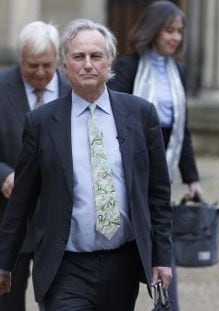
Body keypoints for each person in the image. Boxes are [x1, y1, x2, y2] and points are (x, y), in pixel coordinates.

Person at [0, 18, 173, 310]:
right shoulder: (42, 123)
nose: (88, 64)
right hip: (65, 266)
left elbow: (158, 193)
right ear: (64, 65)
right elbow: (21, 202)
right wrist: (5, 263)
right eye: (78, 57)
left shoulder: (141, 115)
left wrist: (162, 258)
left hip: (122, 263)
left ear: (110, 62)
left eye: (96, 56)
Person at [108, 2, 202, 310]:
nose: (175, 37)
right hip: (131, 161)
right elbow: (115, 118)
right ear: (153, 30)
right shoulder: (127, 66)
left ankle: (166, 305)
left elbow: (182, 127)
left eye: (179, 32)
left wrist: (192, 178)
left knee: (163, 234)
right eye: (169, 30)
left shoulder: (180, 71)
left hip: (165, 159)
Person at [0, 21, 70, 311]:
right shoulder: (2, 87)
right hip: (8, 221)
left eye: (47, 65)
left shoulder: (74, 90)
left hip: (59, 224)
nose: (40, 73)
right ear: (20, 59)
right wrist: (3, 175)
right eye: (32, 65)